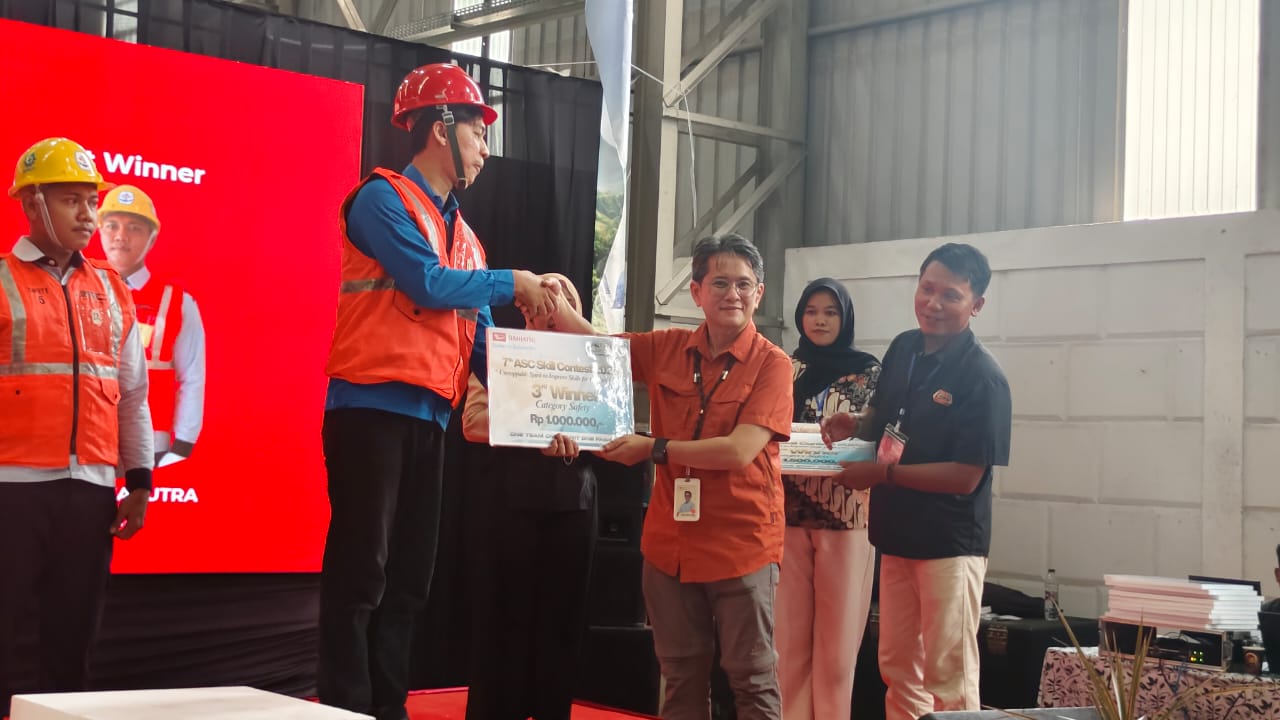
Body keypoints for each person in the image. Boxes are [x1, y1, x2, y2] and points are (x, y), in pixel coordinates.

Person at [316, 62, 560, 720]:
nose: (485, 150)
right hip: (369, 410)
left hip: (431, 419)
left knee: (408, 581)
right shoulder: (381, 199)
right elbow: (424, 282)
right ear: (441, 127)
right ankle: (346, 706)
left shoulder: (469, 240)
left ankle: (387, 707)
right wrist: (512, 283)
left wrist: (548, 416)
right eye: (479, 133)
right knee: (362, 571)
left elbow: (485, 349)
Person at [549, 232, 794, 720]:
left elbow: (739, 451)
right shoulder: (667, 348)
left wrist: (653, 448)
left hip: (741, 545)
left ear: (759, 294)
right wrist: (548, 301)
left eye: (744, 284)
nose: (733, 294)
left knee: (752, 679)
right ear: (696, 292)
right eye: (720, 283)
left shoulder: (773, 364)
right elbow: (597, 348)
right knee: (680, 677)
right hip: (670, 547)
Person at [820, 242, 1011, 719]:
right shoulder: (904, 346)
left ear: (976, 305)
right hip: (896, 534)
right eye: (927, 289)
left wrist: (881, 474)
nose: (933, 303)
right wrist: (855, 424)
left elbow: (965, 476)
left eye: (951, 295)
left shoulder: (984, 377)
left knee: (949, 676)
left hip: (949, 545)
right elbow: (885, 415)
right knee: (898, 667)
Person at [0, 137, 153, 715]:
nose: (89, 216)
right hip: (10, 491)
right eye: (72, 201)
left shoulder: (112, 290)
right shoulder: (1, 280)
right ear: (32, 202)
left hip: (88, 493)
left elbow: (132, 395)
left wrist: (139, 482)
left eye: (92, 202)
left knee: (72, 643)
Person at [460, 273, 597, 720]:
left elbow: (610, 431)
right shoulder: (501, 353)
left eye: (563, 298)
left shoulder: (594, 359)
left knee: (562, 619)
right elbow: (472, 424)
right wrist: (534, 426)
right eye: (544, 297)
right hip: (510, 500)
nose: (551, 305)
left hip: (574, 502)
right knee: (504, 615)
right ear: (525, 307)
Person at [775, 278, 880, 720]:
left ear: (845, 318)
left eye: (831, 312)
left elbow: (878, 436)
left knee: (837, 649)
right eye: (812, 311)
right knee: (787, 644)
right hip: (786, 513)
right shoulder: (782, 367)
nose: (820, 320)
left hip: (846, 516)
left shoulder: (870, 373)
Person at [98, 184, 206, 468]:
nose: (120, 236)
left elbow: (192, 377)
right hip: (83, 446)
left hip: (148, 447)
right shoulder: (75, 291)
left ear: (152, 237)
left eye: (134, 228)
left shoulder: (178, 302)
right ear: (99, 231)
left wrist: (182, 445)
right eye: (112, 225)